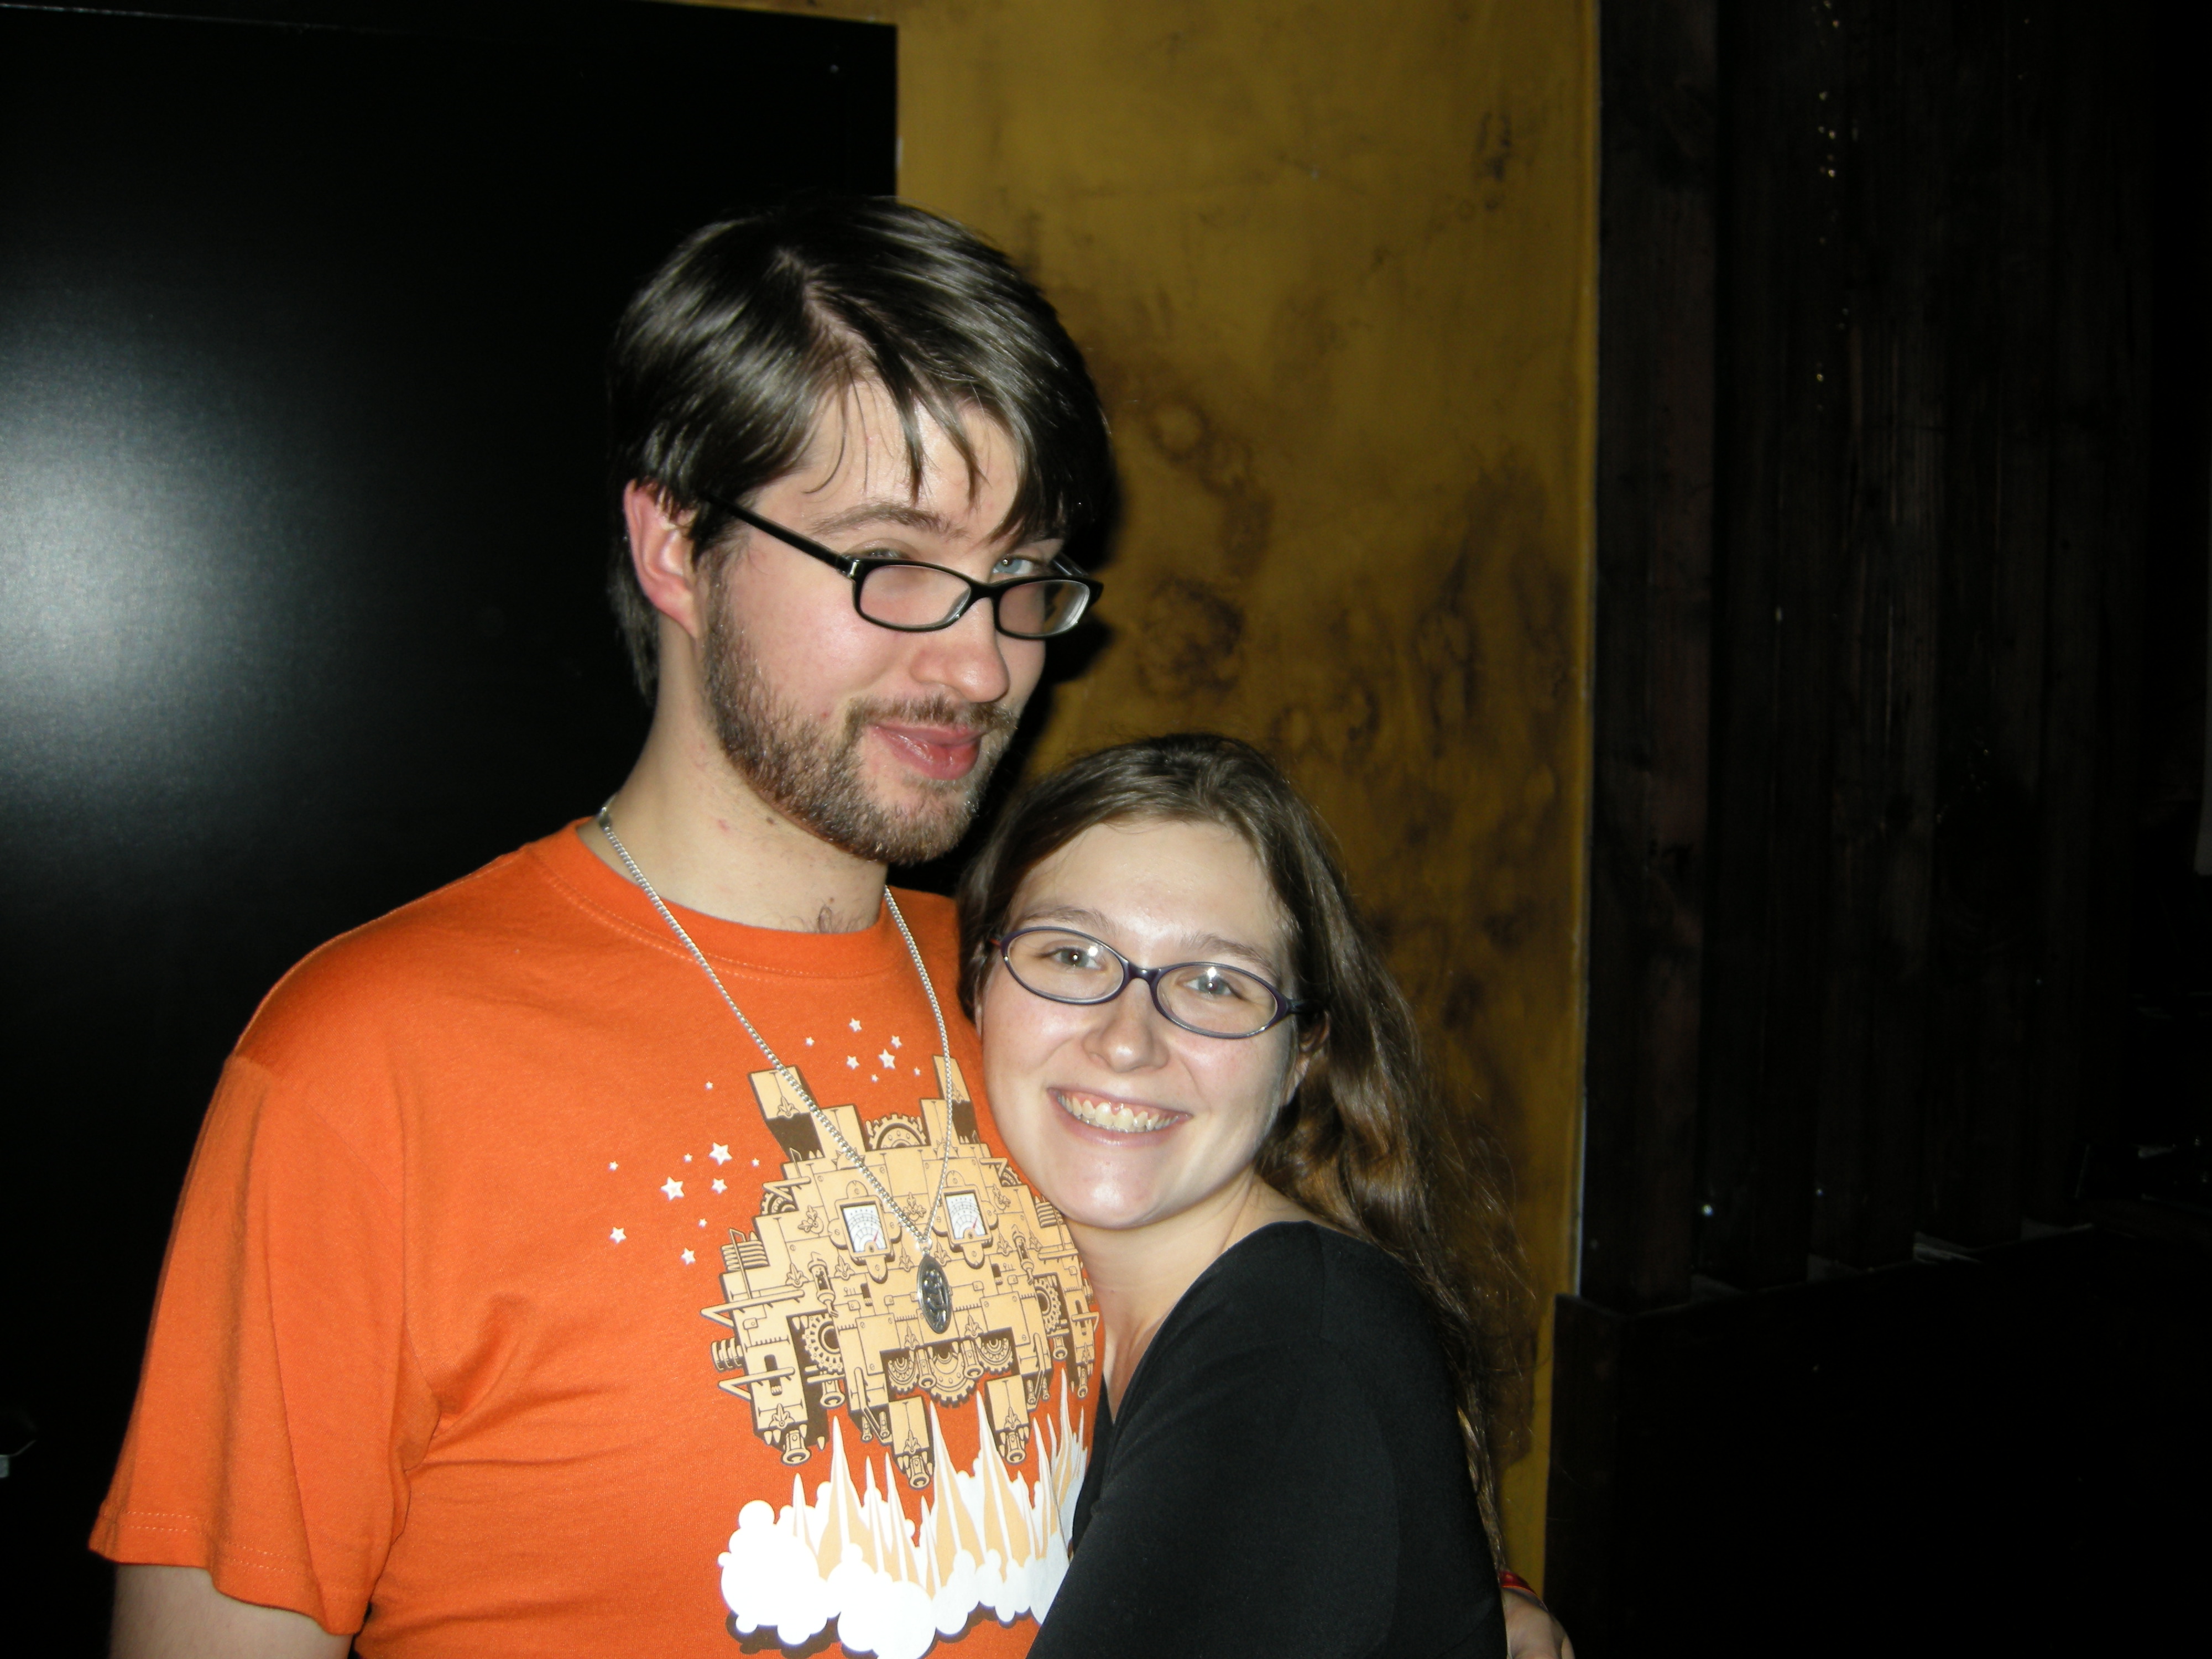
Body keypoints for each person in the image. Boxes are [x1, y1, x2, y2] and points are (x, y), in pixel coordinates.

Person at [94, 200, 1573, 1658]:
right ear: (676, 545)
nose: (982, 663)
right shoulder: (365, 1065)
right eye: (894, 562)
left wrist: (1451, 1594)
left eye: (1019, 578)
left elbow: (1276, 1362)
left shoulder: (1045, 1007)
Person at [957, 733, 1532, 1657]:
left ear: (1303, 1053)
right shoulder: (1124, 1319)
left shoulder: (1291, 1363)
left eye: (1215, 983)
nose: (1127, 1040)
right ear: (979, 984)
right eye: (1072, 954)